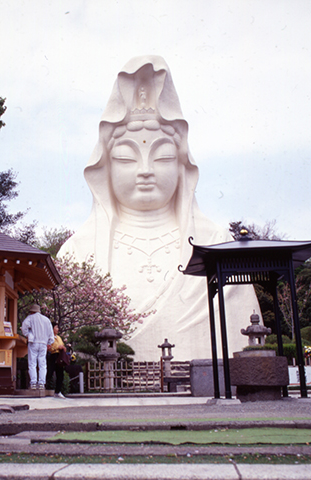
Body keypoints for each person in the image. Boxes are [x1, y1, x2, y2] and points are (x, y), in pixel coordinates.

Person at [59, 56, 260, 361]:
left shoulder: (215, 243)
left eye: (163, 157)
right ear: (106, 168)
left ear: (182, 166)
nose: (145, 170)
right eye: (127, 158)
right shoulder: (77, 252)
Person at [21, 304, 54, 389]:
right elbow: (51, 333)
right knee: (42, 363)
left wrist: (27, 334)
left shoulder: (30, 318)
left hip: (33, 342)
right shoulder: (46, 320)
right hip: (43, 343)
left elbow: (24, 326)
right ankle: (42, 383)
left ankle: (33, 383)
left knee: (32, 363)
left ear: (32, 311)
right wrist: (49, 343)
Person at [47, 324, 67, 398]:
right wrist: (58, 347)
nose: (57, 329)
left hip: (59, 356)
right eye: (56, 327)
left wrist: (62, 347)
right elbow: (50, 347)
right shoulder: (49, 337)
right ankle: (45, 386)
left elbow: (62, 344)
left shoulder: (58, 337)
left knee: (60, 374)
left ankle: (58, 391)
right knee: (50, 372)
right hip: (53, 355)